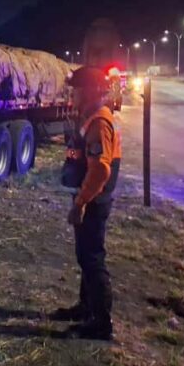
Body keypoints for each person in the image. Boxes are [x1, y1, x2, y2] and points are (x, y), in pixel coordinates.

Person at [54, 65, 121, 341]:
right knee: (86, 255)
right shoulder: (90, 117)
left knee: (92, 258)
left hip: (93, 200)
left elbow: (101, 169)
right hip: (89, 197)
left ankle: (101, 323)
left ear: (91, 91)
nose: (73, 95)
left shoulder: (99, 122)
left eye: (77, 90)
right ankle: (86, 308)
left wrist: (80, 202)